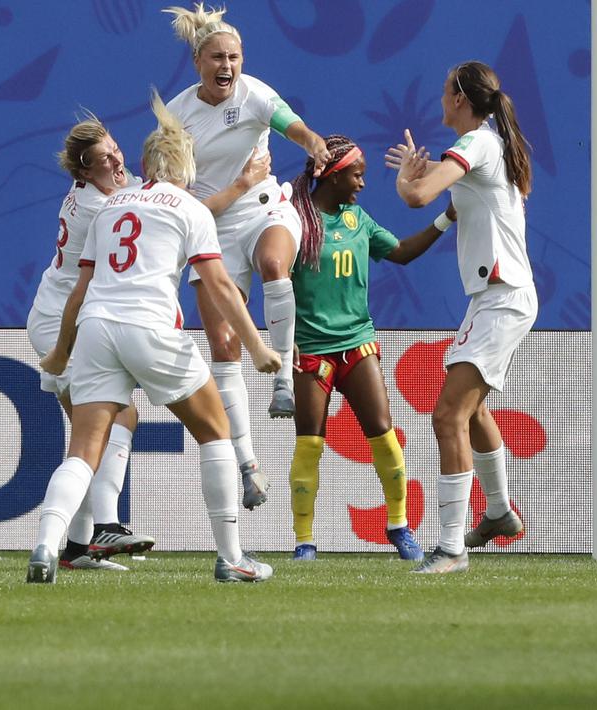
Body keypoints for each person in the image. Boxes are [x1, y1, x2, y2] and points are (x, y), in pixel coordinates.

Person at [27, 90, 281, 583]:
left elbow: (81, 289)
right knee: (216, 431)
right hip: (148, 327)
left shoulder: (111, 204)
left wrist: (61, 351)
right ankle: (231, 558)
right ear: (189, 169)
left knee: (84, 449)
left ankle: (46, 547)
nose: (116, 161)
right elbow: (219, 285)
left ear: (143, 163)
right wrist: (256, 346)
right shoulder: (188, 209)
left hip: (94, 328)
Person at [164, 3, 333, 509]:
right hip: (210, 225)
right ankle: (248, 466)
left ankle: (284, 380)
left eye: (234, 57)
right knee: (222, 345)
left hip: (264, 208)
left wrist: (314, 144)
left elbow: (294, 127)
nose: (227, 66)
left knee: (275, 265)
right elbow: (175, 192)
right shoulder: (176, 114)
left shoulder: (254, 93)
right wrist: (233, 186)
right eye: (217, 57)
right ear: (198, 62)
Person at [385, 61, 536, 573]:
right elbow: (450, 205)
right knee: (471, 412)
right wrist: (427, 170)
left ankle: (451, 548)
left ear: (460, 100)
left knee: (447, 415)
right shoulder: (488, 146)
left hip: (503, 297)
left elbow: (415, 196)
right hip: (499, 297)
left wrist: (408, 178)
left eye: (445, 91)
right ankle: (498, 513)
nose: (440, 99)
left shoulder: (477, 143)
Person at [286, 134, 451, 561]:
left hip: (357, 343)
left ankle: (399, 526)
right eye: (356, 176)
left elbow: (402, 253)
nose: (362, 183)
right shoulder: (293, 221)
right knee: (309, 443)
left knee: (384, 434)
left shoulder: (358, 218)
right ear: (333, 176)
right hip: (311, 350)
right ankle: (304, 541)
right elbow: (273, 281)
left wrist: (447, 218)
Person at [26, 116, 151, 571]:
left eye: (116, 148)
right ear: (83, 170)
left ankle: (77, 548)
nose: (117, 160)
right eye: (105, 158)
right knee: (109, 422)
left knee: (95, 434)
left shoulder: (104, 190)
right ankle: (104, 527)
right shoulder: (101, 209)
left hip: (65, 316)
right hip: (63, 321)